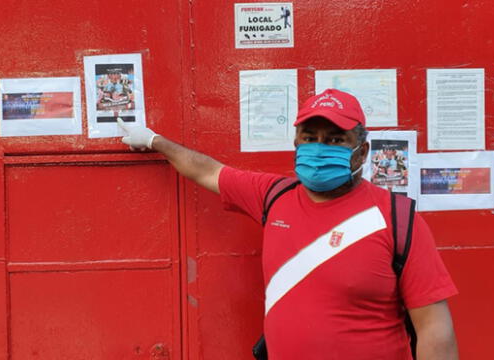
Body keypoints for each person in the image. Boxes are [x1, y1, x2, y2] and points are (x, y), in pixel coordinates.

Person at [117, 89, 458, 360]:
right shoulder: (273, 195)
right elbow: (207, 170)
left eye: (336, 140)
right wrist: (152, 140)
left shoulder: (397, 218)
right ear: (296, 144)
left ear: (363, 151)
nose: (320, 149)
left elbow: (433, 328)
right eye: (310, 138)